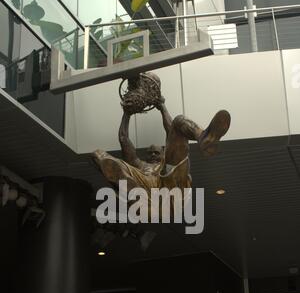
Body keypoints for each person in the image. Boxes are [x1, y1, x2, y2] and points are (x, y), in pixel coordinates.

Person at [93, 72, 231, 214]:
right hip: (146, 191)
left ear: (164, 153)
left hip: (171, 188)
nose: (152, 155)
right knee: (98, 155)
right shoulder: (140, 166)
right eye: (150, 153)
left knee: (178, 121)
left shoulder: (166, 162)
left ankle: (204, 138)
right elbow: (123, 139)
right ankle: (134, 193)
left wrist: (161, 106)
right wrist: (126, 113)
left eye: (156, 152)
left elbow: (172, 131)